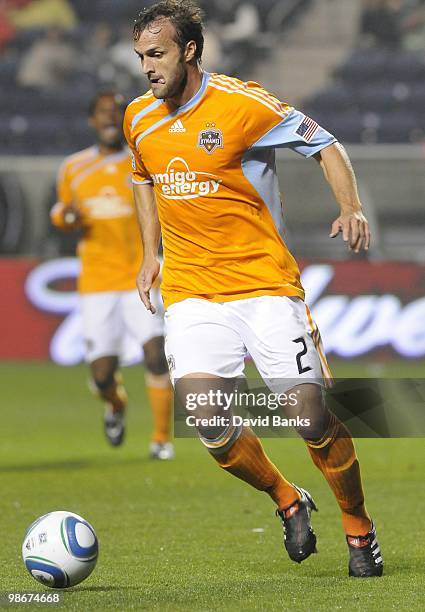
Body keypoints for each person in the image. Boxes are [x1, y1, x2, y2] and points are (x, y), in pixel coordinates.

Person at [124, 0, 383, 577]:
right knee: (209, 419)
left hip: (264, 283)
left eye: (157, 53)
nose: (147, 66)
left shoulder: (245, 104)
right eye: (141, 55)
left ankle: (359, 528)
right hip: (192, 290)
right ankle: (287, 497)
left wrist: (351, 206)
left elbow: (328, 145)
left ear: (190, 50)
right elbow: (142, 177)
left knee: (310, 416)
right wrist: (151, 255)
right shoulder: (138, 117)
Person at [51, 91, 174, 460]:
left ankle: (160, 440)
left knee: (156, 354)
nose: (109, 119)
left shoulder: (143, 161)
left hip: (142, 273)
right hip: (98, 282)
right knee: (103, 374)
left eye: (115, 113)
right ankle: (116, 405)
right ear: (92, 121)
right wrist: (64, 218)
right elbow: (61, 211)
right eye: (102, 113)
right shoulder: (74, 167)